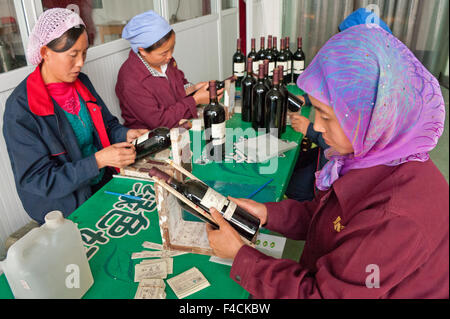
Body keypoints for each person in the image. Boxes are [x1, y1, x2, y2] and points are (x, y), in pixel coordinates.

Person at [206, 24, 449, 298]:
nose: (316, 126)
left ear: (369, 117)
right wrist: (267, 213)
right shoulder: (374, 159)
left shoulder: (394, 218)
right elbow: (329, 219)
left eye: (326, 115)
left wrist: (241, 257)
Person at [3, 9, 147, 224]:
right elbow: (39, 180)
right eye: (73, 54)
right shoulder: (22, 108)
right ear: (45, 52)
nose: (80, 63)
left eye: (84, 53)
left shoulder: (82, 83)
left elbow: (107, 126)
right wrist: (97, 161)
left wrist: (125, 134)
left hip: (102, 185)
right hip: (65, 208)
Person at [115, 10, 213, 130]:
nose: (170, 56)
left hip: (179, 123)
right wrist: (195, 100)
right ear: (142, 51)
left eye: (172, 48)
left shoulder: (165, 61)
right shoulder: (131, 81)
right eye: (164, 53)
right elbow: (159, 122)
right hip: (153, 137)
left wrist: (193, 89)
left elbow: (178, 86)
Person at [286, 94, 329, 202]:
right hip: (321, 155)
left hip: (325, 177)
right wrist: (307, 98)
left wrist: (310, 130)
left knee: (294, 188)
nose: (317, 125)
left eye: (325, 117)